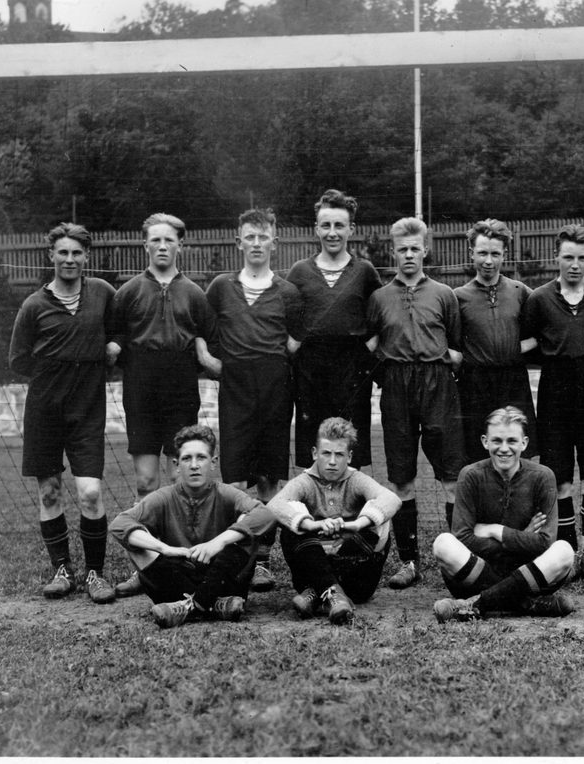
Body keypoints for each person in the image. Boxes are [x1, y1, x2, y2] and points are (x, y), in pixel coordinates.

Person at [107, 213, 220, 598]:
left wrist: (198, 356)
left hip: (181, 385)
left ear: (179, 245)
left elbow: (208, 339)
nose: (161, 246)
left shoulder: (195, 293)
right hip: (141, 385)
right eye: (155, 240)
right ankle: (147, 568)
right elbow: (115, 339)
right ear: (145, 245)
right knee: (145, 482)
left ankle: (182, 563)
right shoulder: (128, 292)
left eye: (168, 240)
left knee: (180, 479)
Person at [8, 222, 119, 604]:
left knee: (90, 492)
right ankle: (62, 570)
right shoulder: (34, 305)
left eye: (76, 253)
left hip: (87, 408)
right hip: (44, 409)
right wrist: (56, 372)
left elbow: (121, 328)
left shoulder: (102, 293)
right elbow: (18, 359)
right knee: (50, 491)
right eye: (63, 252)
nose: (69, 259)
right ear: (51, 255)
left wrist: (113, 346)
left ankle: (95, 573)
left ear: (86, 257)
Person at [204, 208, 303, 591]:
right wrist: (210, 361)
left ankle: (262, 559)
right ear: (239, 242)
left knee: (269, 477)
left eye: (263, 237)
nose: (257, 243)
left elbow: (296, 339)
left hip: (275, 388)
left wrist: (270, 359)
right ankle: (238, 557)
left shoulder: (288, 292)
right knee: (234, 478)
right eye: (250, 237)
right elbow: (202, 329)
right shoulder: (220, 287)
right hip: (235, 389)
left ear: (274, 243)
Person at [365, 217, 465, 589]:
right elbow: (370, 347)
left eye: (414, 248)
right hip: (396, 387)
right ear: (393, 252)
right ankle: (409, 562)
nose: (408, 255)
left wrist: (439, 370)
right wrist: (392, 377)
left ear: (426, 250)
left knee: (452, 477)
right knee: (401, 479)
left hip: (438, 385)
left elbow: (457, 348)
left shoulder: (444, 294)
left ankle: (458, 559)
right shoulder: (379, 298)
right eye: (402, 249)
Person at [522, 224, 584, 584]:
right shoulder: (539, 298)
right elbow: (526, 344)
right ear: (557, 257)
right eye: (568, 257)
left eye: (582, 258)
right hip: (555, 392)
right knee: (559, 479)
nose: (575, 265)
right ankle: (565, 555)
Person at [108, 424, 278, 628]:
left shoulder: (226, 493)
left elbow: (266, 515)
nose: (194, 465)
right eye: (187, 458)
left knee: (246, 522)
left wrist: (218, 542)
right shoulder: (164, 497)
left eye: (201, 457)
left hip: (223, 579)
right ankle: (214, 605)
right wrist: (164, 548)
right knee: (136, 540)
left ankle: (189, 606)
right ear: (176, 465)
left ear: (213, 462)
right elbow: (119, 524)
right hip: (177, 580)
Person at [430, 407, 575, 622]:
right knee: (443, 543)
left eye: (512, 441)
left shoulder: (543, 476)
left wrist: (496, 530)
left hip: (528, 570)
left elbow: (545, 543)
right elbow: (462, 538)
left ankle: (477, 604)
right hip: (481, 572)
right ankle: (527, 603)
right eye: (497, 440)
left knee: (564, 550)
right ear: (485, 441)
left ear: (524, 443)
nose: (504, 448)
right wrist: (522, 536)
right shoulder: (470, 475)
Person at [267, 417, 402, 625]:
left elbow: (392, 499)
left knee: (378, 514)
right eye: (326, 453)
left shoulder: (355, 479)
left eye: (339, 454)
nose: (332, 461)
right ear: (314, 453)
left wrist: (357, 524)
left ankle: (318, 592)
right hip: (311, 571)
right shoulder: (305, 481)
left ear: (349, 457)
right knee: (291, 517)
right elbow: (273, 506)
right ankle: (334, 595)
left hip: (357, 582)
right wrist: (312, 524)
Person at [286, 189, 382, 473]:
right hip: (310, 370)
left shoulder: (365, 271)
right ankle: (314, 500)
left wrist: (366, 348)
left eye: (339, 225)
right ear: (316, 228)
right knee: (313, 444)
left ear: (351, 229)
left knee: (349, 446)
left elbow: (381, 314)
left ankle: (350, 499)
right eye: (325, 225)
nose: (332, 232)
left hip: (352, 369)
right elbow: (285, 316)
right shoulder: (300, 272)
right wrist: (295, 346)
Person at [454, 219, 538, 463]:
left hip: (514, 381)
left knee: (518, 452)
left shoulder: (520, 291)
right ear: (471, 253)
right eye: (482, 253)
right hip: (474, 384)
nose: (488, 261)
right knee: (477, 456)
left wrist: (521, 347)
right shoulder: (458, 297)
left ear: (505, 255)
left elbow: (547, 327)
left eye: (495, 254)